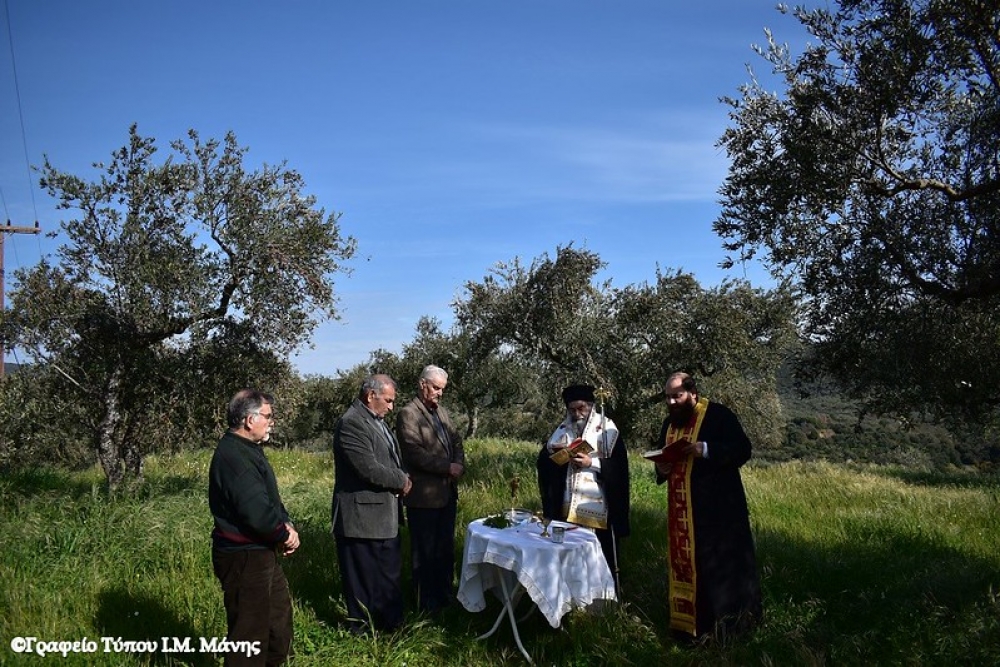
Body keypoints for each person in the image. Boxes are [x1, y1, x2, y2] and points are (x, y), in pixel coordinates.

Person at [652, 371, 762, 642]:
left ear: (693, 393)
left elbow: (742, 450)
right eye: (668, 397)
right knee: (692, 571)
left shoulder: (719, 416)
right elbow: (662, 460)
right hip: (683, 517)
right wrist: (662, 467)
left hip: (720, 513)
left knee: (721, 571)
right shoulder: (669, 423)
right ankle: (691, 631)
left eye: (677, 396)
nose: (672, 403)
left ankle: (729, 632)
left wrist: (705, 449)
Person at [208, 389, 300, 666]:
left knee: (277, 624)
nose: (271, 422)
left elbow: (270, 499)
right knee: (248, 638)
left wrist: (286, 524)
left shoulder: (249, 450)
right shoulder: (233, 457)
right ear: (250, 420)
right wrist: (284, 534)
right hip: (244, 556)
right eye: (268, 416)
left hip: (262, 551)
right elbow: (256, 512)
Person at [331, 374, 412, 634]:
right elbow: (368, 469)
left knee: (387, 575)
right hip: (361, 520)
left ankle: (390, 627)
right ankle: (362, 635)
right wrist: (401, 479)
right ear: (370, 396)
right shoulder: (352, 423)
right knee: (362, 581)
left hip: (381, 517)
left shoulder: (375, 421)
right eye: (387, 400)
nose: (391, 407)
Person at [537, 383, 630, 589]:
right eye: (572, 410)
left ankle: (603, 596)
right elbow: (545, 463)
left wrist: (592, 463)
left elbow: (619, 468)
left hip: (599, 505)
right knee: (569, 553)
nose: (577, 414)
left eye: (581, 409)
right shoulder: (562, 429)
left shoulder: (607, 430)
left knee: (600, 552)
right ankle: (572, 592)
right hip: (567, 504)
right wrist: (553, 453)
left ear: (591, 406)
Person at [396, 365, 466, 614]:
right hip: (423, 498)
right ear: (422, 384)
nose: (439, 393)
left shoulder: (442, 413)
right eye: (436, 388)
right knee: (424, 552)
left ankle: (445, 594)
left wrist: (458, 464)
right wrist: (448, 467)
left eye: (442, 389)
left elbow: (457, 440)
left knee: (444, 548)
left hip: (447, 495)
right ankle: (425, 603)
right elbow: (414, 453)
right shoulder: (408, 414)